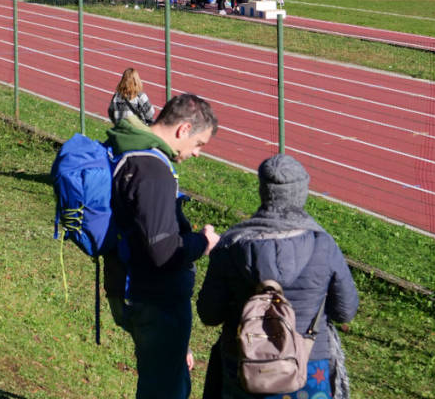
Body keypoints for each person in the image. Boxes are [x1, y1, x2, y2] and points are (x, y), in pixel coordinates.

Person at [197, 154, 358, 398]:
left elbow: (209, 314)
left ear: (263, 191)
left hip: (243, 365)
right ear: (301, 192)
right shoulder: (322, 244)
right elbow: (345, 311)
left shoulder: (230, 245)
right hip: (308, 364)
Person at [105, 93, 221, 399]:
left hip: (141, 293)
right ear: (184, 130)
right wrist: (203, 242)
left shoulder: (131, 151)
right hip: (157, 301)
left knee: (165, 382)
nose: (197, 153)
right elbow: (163, 250)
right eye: (200, 144)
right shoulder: (152, 171)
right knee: (164, 391)